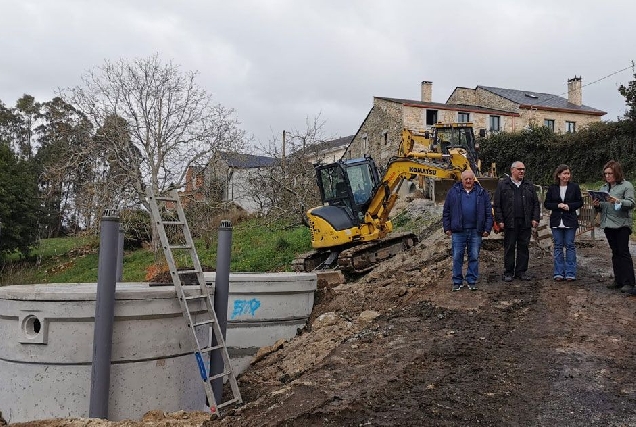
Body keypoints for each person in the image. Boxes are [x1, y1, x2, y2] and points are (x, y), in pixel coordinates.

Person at [443, 170, 493, 291]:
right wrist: (447, 227)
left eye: (471, 179)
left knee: (474, 256)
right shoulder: (453, 192)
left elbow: (488, 212)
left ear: (474, 179)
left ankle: (471, 280)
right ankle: (457, 281)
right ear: (462, 180)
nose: (469, 181)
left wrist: (487, 228)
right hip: (458, 231)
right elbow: (446, 211)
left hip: (476, 231)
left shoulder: (482, 193)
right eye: (466, 179)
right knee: (457, 256)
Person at [592, 160, 636, 294]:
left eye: (610, 173)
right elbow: (602, 208)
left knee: (623, 252)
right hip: (608, 224)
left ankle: (629, 282)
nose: (607, 176)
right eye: (605, 173)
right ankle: (619, 280)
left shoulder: (626, 186)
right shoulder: (604, 188)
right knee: (615, 253)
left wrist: (618, 201)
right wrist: (597, 205)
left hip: (622, 224)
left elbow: (631, 203)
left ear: (616, 172)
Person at [493, 161, 541, 282]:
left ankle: (521, 271)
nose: (522, 171)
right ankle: (508, 272)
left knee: (523, 247)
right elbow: (497, 205)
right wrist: (500, 220)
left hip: (525, 222)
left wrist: (535, 218)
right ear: (512, 170)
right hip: (509, 222)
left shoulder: (529, 185)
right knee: (509, 247)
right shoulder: (503, 185)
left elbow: (536, 203)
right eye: (519, 169)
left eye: (523, 169)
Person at [543, 164, 583, 281]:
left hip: (570, 220)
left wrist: (569, 206)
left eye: (568, 173)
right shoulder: (552, 188)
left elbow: (580, 202)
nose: (567, 176)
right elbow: (547, 204)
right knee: (558, 246)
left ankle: (570, 273)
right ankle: (558, 272)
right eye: (564, 173)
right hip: (556, 221)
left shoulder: (574, 187)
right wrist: (557, 205)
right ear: (559, 175)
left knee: (570, 246)